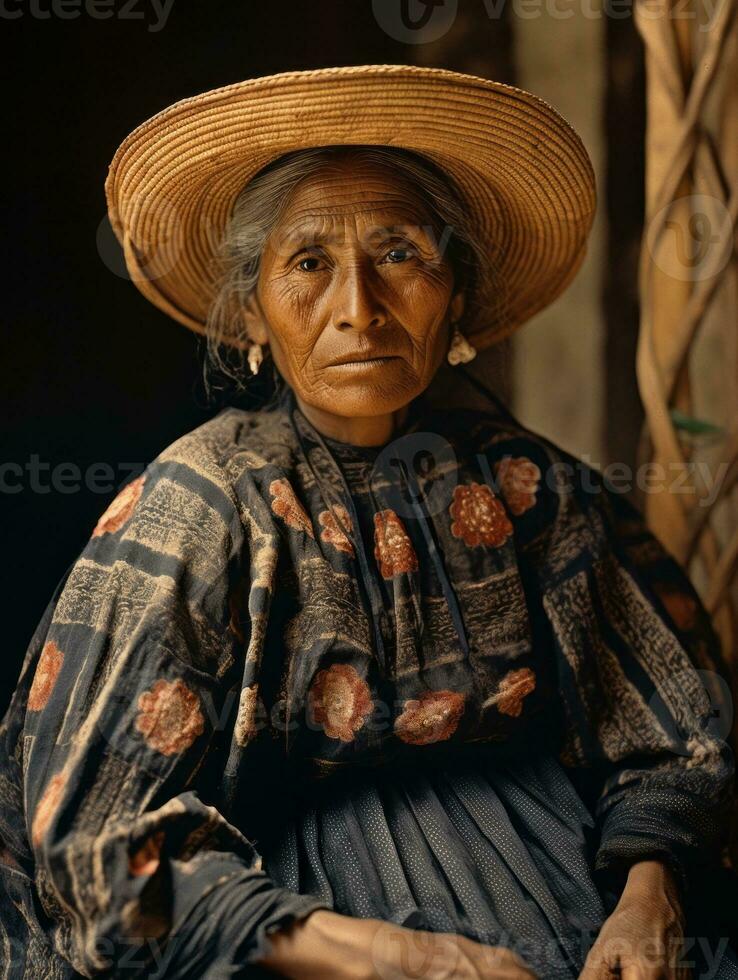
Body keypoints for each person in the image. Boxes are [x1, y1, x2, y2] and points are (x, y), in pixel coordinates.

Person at [1, 65, 735, 980]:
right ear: (250, 319)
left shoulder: (521, 481)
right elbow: (94, 854)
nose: (358, 307)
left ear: (455, 296)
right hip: (295, 932)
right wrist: (401, 959)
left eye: (399, 255)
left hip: (567, 891)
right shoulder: (201, 503)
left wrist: (648, 897)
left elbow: (677, 734)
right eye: (308, 263)